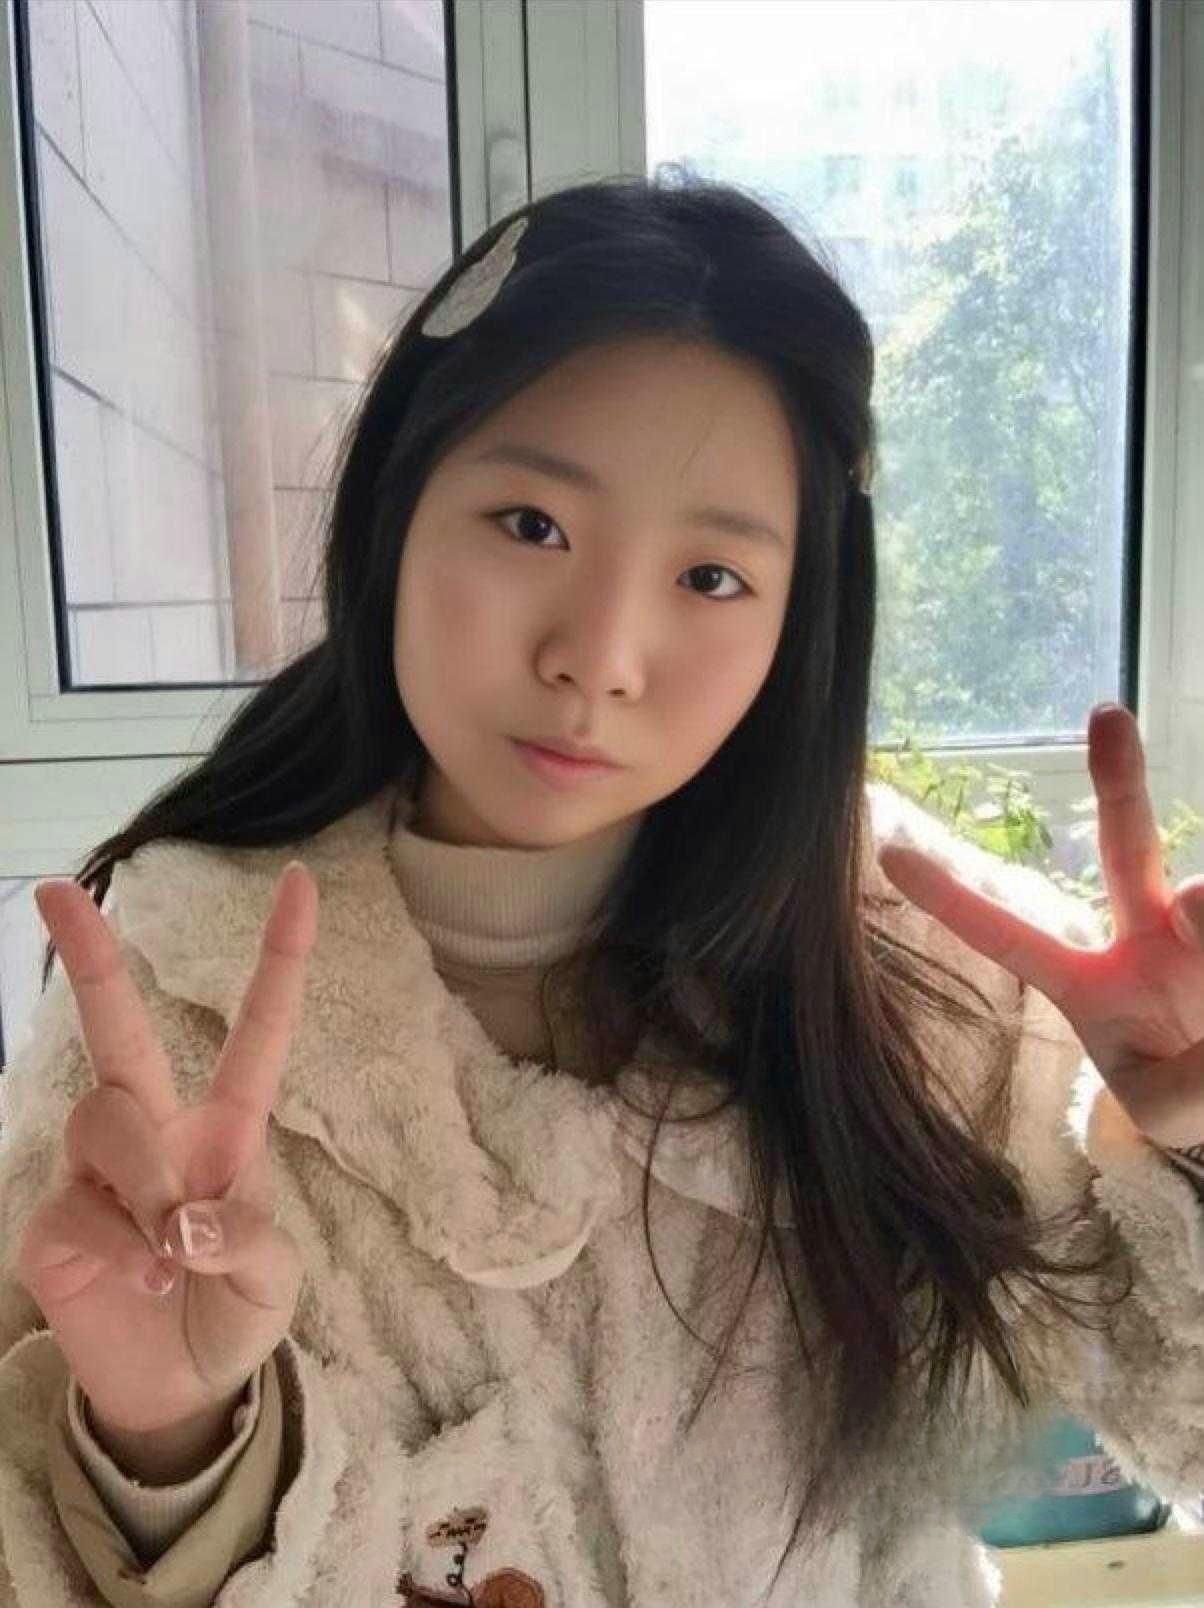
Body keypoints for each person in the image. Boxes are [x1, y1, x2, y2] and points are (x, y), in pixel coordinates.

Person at [0, 172, 1201, 1608]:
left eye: (711, 577)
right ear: (396, 508)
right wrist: (166, 1446)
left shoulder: (907, 954)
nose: (599, 658)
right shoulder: (172, 997)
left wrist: (1184, 1145)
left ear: (799, 620)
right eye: (531, 525)